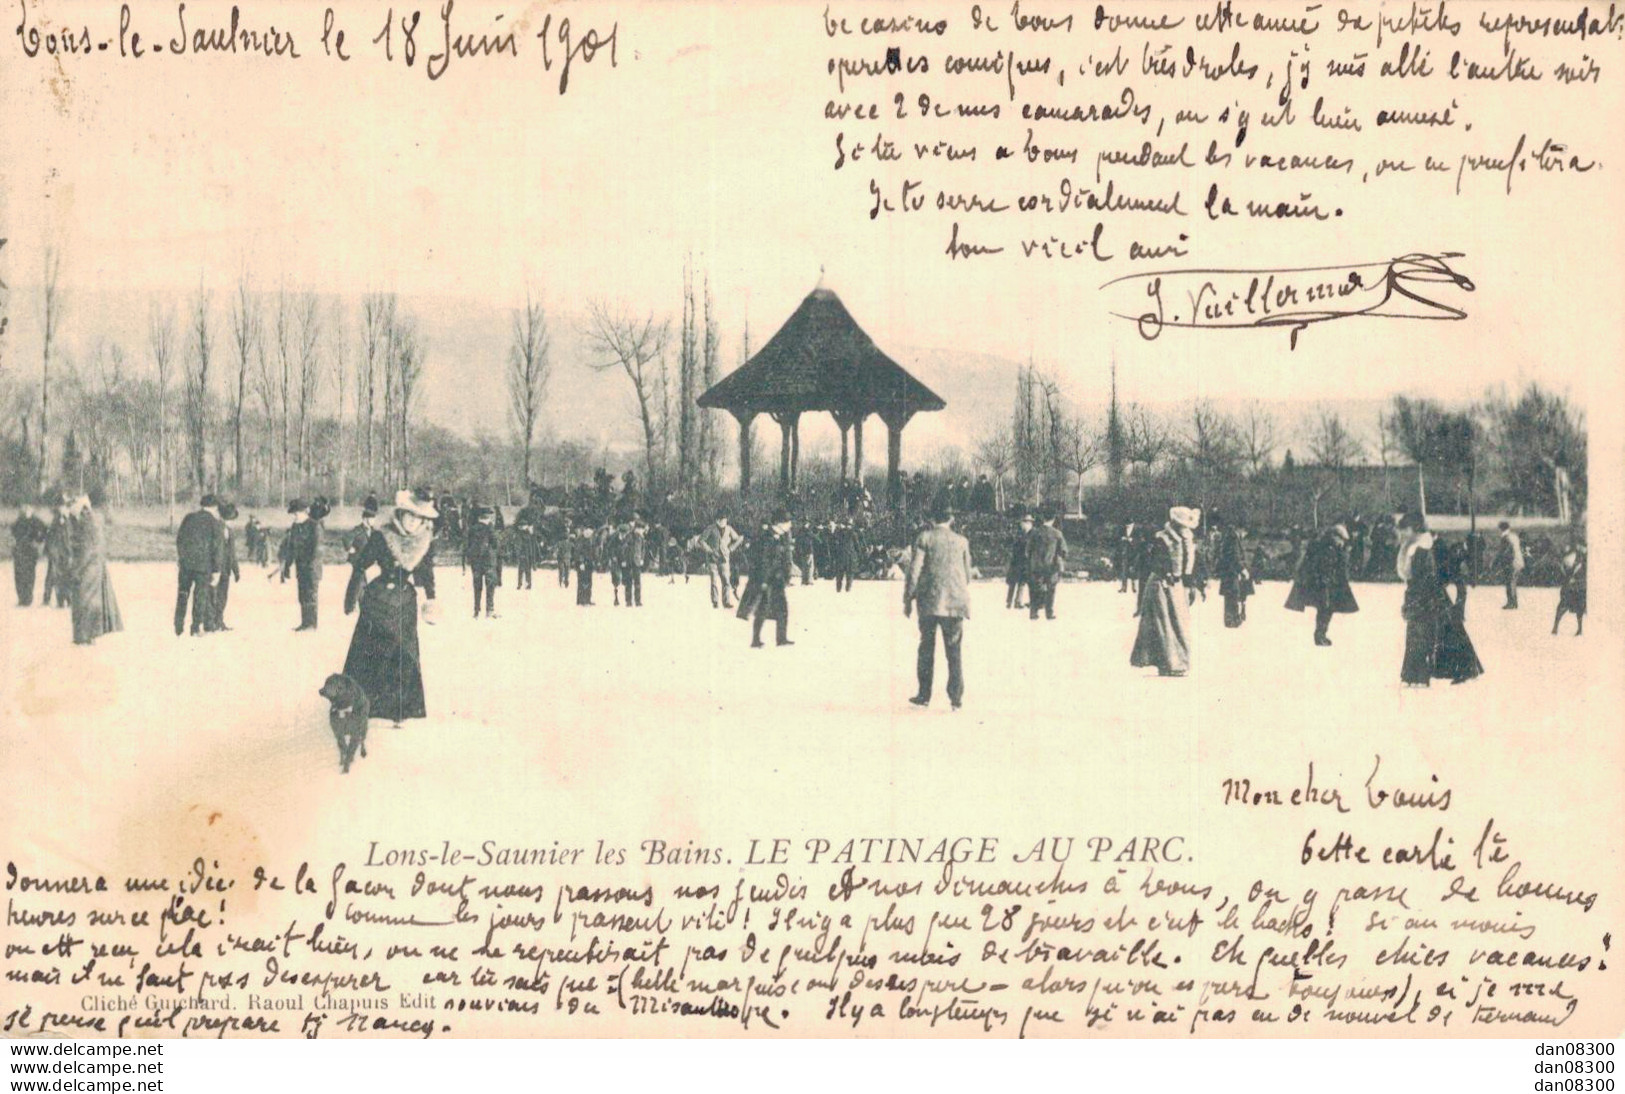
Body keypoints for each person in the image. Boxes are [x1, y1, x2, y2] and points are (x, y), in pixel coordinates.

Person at [343, 490, 438, 726]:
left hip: (405, 602)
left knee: (403, 654)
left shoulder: (423, 542)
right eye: (408, 516)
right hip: (378, 600)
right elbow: (360, 566)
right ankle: (359, 705)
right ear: (400, 514)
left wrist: (431, 599)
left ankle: (400, 710)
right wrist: (351, 596)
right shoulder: (382, 536)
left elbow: (426, 574)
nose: (412, 522)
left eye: (417, 518)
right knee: (369, 651)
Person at [1398, 513, 1484, 686]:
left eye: (1405, 529)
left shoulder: (1422, 547)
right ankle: (1465, 669)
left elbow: (1425, 575)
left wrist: (1415, 598)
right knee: (1447, 631)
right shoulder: (1417, 544)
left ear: (1413, 528)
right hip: (1430, 595)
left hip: (1427, 596)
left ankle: (1418, 675)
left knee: (1428, 633)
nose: (1402, 533)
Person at [905, 497, 972, 710]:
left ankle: (924, 695)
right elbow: (967, 574)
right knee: (954, 650)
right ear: (951, 519)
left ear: (932, 518)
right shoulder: (962, 541)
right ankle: (956, 698)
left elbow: (914, 571)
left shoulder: (924, 538)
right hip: (955, 602)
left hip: (929, 601)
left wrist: (908, 597)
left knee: (926, 647)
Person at [1130, 507, 1198, 677]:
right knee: (1163, 624)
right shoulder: (1163, 539)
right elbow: (1154, 563)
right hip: (1161, 584)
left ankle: (1175, 661)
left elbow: (1190, 567)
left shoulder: (1187, 540)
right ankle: (1169, 663)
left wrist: (1191, 584)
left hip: (1176, 586)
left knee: (1178, 623)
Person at [1285, 522, 1359, 646]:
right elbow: (1324, 567)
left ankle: (1321, 634)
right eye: (1342, 540)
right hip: (1324, 585)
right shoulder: (1327, 548)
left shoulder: (1331, 547)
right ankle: (1320, 635)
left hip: (1328, 584)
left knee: (1326, 610)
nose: (1342, 543)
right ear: (1335, 536)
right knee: (1325, 609)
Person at [67, 495, 122, 647]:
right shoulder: (91, 520)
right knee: (88, 602)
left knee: (84, 602)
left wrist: (76, 570)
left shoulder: (87, 522)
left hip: (87, 568)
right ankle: (86, 636)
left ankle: (84, 636)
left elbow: (86, 549)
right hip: (93, 567)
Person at [737, 510, 794, 648]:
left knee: (782, 609)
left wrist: (786, 576)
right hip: (765, 580)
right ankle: (755, 640)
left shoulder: (782, 537)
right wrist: (762, 580)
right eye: (787, 522)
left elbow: (785, 559)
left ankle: (781, 638)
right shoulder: (765, 538)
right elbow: (761, 561)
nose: (789, 525)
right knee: (763, 609)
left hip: (777, 579)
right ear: (779, 523)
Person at [174, 494, 223, 637]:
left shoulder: (188, 518)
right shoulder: (215, 523)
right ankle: (195, 627)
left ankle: (178, 626)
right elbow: (217, 548)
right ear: (214, 507)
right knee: (199, 596)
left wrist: (181, 557)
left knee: (183, 593)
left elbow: (180, 539)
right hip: (203, 567)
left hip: (186, 565)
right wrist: (217, 570)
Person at [280, 498, 326, 632]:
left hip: (311, 568)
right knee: (302, 595)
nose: (294, 517)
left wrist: (310, 565)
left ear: (305, 512)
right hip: (301, 568)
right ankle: (305, 622)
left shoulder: (315, 526)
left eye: (296, 514)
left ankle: (312, 623)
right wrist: (288, 566)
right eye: (293, 514)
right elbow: (291, 548)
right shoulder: (295, 527)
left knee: (311, 594)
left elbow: (317, 549)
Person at [1025, 511, 1067, 621]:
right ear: (1053, 519)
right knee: (1051, 589)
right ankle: (1049, 613)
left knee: (1034, 588)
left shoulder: (1034, 533)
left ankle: (1033, 612)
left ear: (1043, 519)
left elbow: (1027, 551)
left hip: (1036, 566)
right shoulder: (1057, 534)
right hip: (1051, 566)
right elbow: (1063, 551)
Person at [1215, 520, 1255, 628]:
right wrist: (1242, 569)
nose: (1244, 535)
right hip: (1231, 573)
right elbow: (1235, 556)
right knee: (1232, 595)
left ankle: (1231, 619)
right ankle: (1232, 620)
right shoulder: (1233, 539)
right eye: (1245, 533)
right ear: (1241, 530)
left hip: (1229, 572)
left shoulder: (1231, 537)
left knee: (1231, 596)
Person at [699, 512, 743, 609]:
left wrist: (731, 548)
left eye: (725, 520)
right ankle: (715, 601)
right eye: (722, 520)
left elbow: (739, 538)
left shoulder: (729, 529)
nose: (724, 521)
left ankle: (726, 601)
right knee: (714, 581)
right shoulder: (710, 528)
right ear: (717, 520)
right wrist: (710, 550)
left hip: (724, 558)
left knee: (726, 580)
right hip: (713, 558)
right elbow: (701, 540)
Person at [209, 502, 242, 631]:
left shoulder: (230, 532)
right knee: (213, 595)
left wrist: (236, 570)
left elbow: (232, 553)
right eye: (231, 520)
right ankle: (211, 622)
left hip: (225, 569)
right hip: (215, 568)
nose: (233, 523)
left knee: (222, 596)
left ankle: (219, 621)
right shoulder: (216, 529)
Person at [465, 505, 501, 618]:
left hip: (476, 562)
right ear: (488, 517)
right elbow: (495, 543)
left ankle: (476, 611)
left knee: (477, 586)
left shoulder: (472, 529)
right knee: (490, 586)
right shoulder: (489, 528)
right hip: (488, 562)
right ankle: (489, 610)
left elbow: (467, 544)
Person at [11, 503, 47, 606]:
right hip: (19, 551)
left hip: (30, 551)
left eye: (29, 507)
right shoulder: (19, 520)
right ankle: (21, 598)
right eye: (24, 507)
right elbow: (13, 531)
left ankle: (28, 598)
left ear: (32, 508)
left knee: (29, 575)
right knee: (19, 575)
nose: (26, 509)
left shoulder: (36, 521)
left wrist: (38, 540)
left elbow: (44, 530)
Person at [41, 498, 74, 609]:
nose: (65, 509)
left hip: (64, 552)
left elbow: (70, 537)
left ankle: (67, 599)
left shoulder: (68, 520)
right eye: (63, 506)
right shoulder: (57, 520)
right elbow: (50, 536)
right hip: (57, 552)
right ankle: (49, 598)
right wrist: (50, 551)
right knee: (53, 575)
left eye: (66, 507)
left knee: (65, 575)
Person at [1554, 542, 1587, 636]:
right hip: (1571, 586)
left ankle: (1579, 629)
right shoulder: (1574, 557)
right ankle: (1555, 627)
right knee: (1563, 606)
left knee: (1577, 608)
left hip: (1578, 586)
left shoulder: (1583, 559)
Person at [1495, 521, 1524, 609]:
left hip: (1511, 562)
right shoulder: (1514, 536)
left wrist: (1498, 562)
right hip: (1519, 561)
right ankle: (1514, 602)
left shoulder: (1505, 537)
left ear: (1501, 529)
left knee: (1510, 582)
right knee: (1513, 582)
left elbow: (1505, 552)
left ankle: (1511, 603)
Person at [1006, 513, 1032, 609]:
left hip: (1019, 562)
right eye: (1026, 522)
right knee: (1018, 582)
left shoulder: (1023, 534)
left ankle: (1014, 601)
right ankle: (1013, 602)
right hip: (1019, 561)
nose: (1027, 524)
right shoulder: (1022, 535)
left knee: (1019, 582)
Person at [620, 516, 647, 607]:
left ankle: (638, 601)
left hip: (637, 563)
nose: (641, 531)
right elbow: (623, 549)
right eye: (640, 529)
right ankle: (628, 601)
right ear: (636, 528)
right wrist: (623, 559)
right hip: (628, 562)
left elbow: (643, 549)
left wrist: (642, 558)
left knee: (638, 582)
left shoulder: (641, 538)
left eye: (642, 529)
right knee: (628, 582)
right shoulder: (629, 536)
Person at [575, 527, 597, 606]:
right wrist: (581, 562)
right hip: (582, 564)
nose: (589, 534)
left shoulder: (590, 540)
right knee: (582, 582)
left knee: (589, 582)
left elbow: (592, 551)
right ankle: (581, 600)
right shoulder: (580, 540)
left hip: (589, 564)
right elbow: (578, 552)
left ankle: (587, 599)